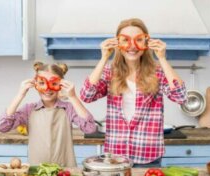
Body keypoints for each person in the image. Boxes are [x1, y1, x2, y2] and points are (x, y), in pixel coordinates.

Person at [80, 18, 187, 167]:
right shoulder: (110, 72)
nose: (132, 46)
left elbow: (181, 97)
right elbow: (87, 95)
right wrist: (104, 58)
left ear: (146, 42)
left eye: (138, 40)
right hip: (116, 155)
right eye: (125, 40)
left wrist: (162, 58)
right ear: (118, 43)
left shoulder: (157, 72)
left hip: (148, 154)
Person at [0, 62, 96, 167]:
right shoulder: (29, 109)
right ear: (35, 84)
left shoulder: (68, 108)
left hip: (65, 172)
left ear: (61, 85)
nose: (47, 88)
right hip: (37, 172)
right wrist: (20, 94)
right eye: (41, 83)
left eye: (54, 83)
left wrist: (72, 96)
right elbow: (3, 127)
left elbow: (90, 128)